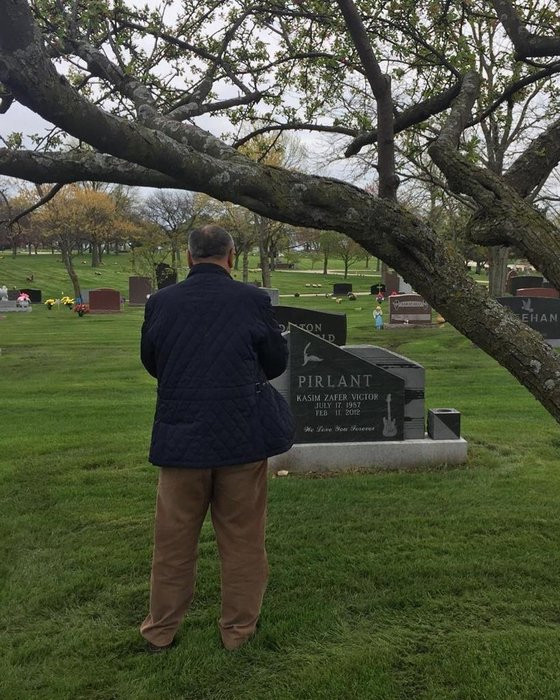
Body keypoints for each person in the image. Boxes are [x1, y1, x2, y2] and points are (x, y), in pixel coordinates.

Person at [140, 224, 295, 653]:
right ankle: (238, 634)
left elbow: (152, 362)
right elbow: (275, 361)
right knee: (243, 540)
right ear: (230, 256)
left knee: (173, 542)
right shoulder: (252, 300)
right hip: (241, 438)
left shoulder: (161, 303)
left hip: (179, 438)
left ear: (189, 258)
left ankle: (160, 632)